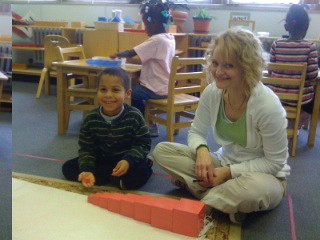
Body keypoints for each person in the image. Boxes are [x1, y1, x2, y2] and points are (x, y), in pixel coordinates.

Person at [153, 29, 290, 224]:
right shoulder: (213, 92)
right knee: (162, 150)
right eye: (215, 63)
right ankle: (224, 201)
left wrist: (228, 173)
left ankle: (204, 197)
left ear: (247, 67)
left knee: (252, 190)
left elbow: (275, 163)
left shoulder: (267, 105)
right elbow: (196, 132)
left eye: (228, 66)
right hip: (222, 163)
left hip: (262, 176)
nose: (218, 72)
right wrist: (202, 152)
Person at [62, 67, 153, 190]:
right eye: (103, 90)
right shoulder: (91, 118)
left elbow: (143, 143)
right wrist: (87, 169)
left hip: (126, 159)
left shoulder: (134, 116)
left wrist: (129, 160)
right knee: (68, 168)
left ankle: (112, 175)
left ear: (127, 94)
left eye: (115, 90)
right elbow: (87, 148)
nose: (108, 95)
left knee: (138, 174)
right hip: (102, 159)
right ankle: (109, 177)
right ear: (97, 91)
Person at [110, 0, 176, 137]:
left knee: (128, 94)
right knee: (135, 92)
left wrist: (117, 54)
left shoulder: (156, 40)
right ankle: (148, 121)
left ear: (155, 23)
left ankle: (145, 124)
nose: (145, 28)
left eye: (146, 24)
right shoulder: (169, 38)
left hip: (154, 88)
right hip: (165, 87)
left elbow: (131, 52)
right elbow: (148, 57)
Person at [269, 4, 318, 126]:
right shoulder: (310, 47)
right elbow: (313, 77)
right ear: (306, 27)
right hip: (300, 100)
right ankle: (298, 122)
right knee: (315, 95)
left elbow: (271, 72)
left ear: (286, 27)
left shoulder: (276, 45)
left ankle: (285, 122)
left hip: (277, 97)